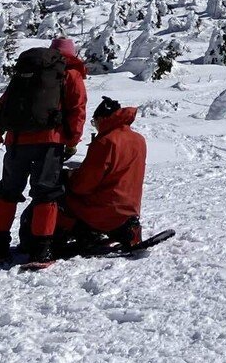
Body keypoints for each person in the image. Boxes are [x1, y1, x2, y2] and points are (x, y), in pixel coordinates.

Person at [0, 38, 88, 265]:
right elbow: (77, 111)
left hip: (16, 141)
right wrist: (71, 142)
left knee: (8, 192)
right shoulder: (70, 75)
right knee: (46, 193)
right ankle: (42, 249)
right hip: (50, 141)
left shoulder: (27, 72)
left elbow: (2, 109)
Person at [20, 96, 147, 256]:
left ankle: (71, 235)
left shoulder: (106, 141)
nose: (96, 127)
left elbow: (83, 185)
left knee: (56, 198)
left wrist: (69, 177)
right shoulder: (138, 139)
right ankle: (126, 230)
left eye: (95, 122)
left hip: (103, 209)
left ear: (102, 118)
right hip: (129, 208)